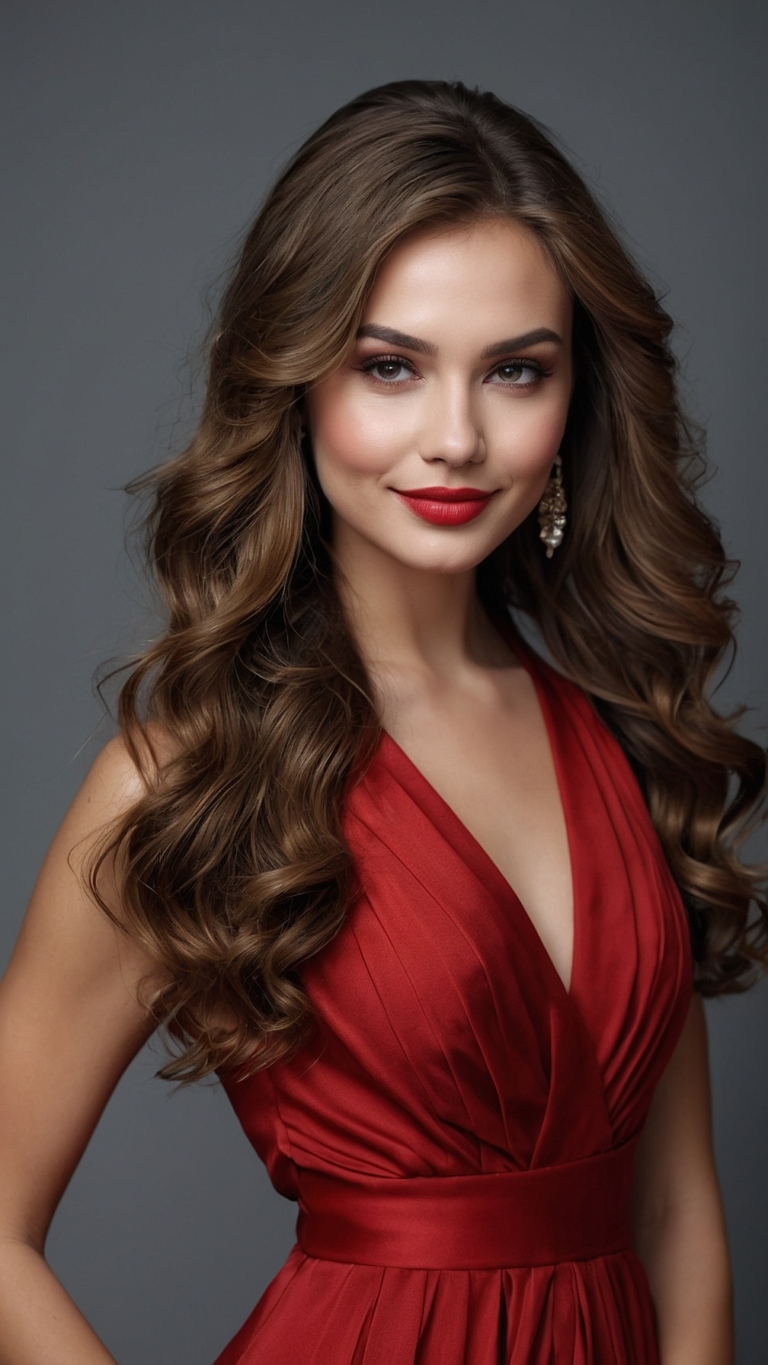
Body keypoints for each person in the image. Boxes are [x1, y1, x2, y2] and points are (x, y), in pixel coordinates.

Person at [0, 78, 765, 1365]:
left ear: (576, 398)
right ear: (296, 383)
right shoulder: (189, 776)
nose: (456, 437)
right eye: (390, 366)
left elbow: (678, 1216)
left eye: (515, 371)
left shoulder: (627, 737)